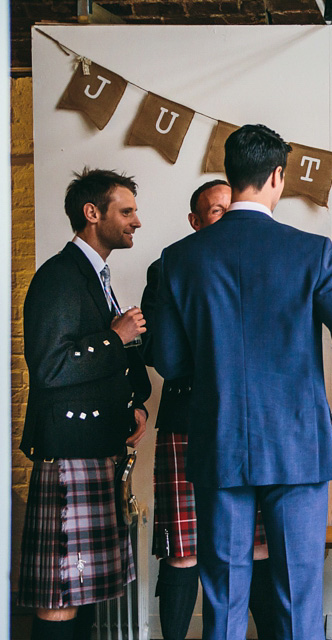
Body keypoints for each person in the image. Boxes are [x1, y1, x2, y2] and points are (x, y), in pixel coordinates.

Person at [152, 123, 332, 640]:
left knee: (224, 598)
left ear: (231, 178)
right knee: (299, 596)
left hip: (220, 439)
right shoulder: (312, 251)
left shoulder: (180, 258)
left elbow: (169, 361)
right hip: (299, 442)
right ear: (277, 177)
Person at [17, 168, 151, 640]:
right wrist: (116, 337)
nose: (137, 221)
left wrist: (134, 406)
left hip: (95, 447)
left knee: (86, 590)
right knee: (62, 595)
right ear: (92, 213)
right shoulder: (59, 275)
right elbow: (52, 365)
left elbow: (103, 362)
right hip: (70, 452)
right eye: (127, 211)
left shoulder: (95, 275)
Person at [140, 180, 276, 640]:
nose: (225, 215)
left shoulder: (261, 260)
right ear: (196, 222)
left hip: (250, 425)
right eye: (214, 211)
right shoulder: (169, 267)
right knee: (183, 547)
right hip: (187, 419)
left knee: (257, 544)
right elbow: (158, 351)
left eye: (228, 207)